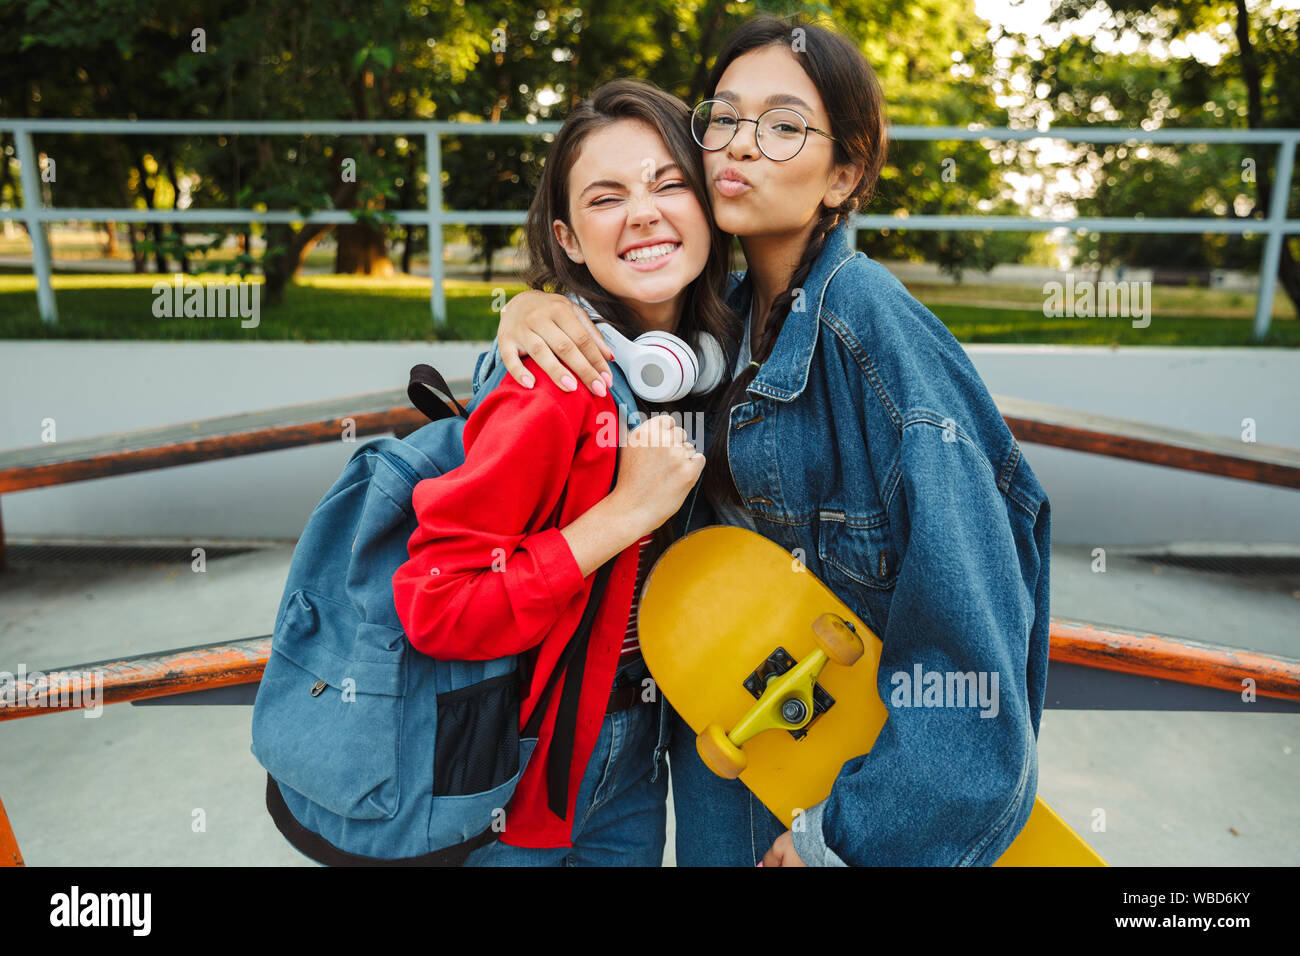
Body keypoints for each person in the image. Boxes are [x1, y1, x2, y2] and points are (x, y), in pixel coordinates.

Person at [483, 14, 1053, 867]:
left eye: (784, 126)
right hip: (725, 768)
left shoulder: (876, 334)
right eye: (723, 118)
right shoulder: (717, 328)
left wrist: (847, 839)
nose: (739, 147)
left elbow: (971, 653)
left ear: (844, 173)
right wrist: (529, 305)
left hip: (826, 806)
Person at [390, 78, 739, 865]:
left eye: (668, 182)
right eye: (606, 197)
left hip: (641, 751)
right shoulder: (553, 382)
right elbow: (438, 606)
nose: (644, 211)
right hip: (520, 769)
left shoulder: (725, 361)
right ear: (570, 240)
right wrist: (619, 517)